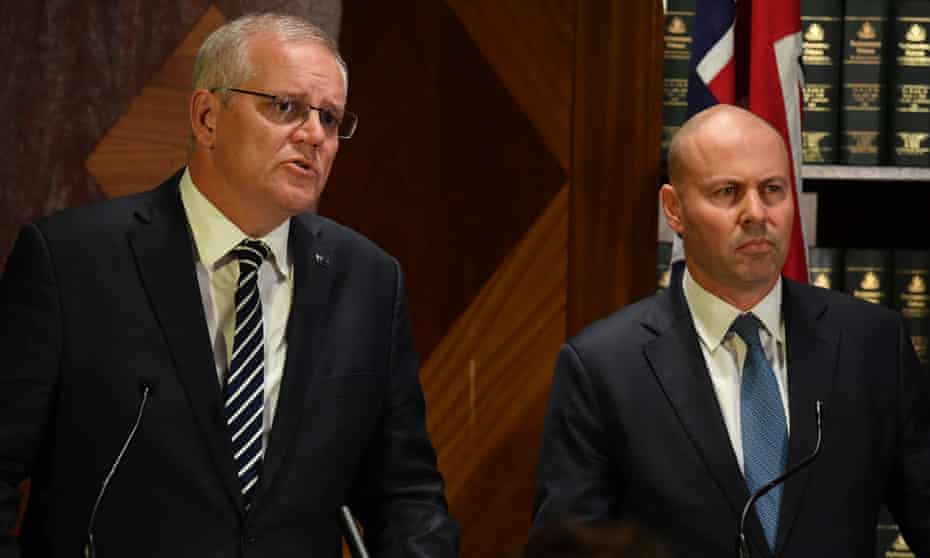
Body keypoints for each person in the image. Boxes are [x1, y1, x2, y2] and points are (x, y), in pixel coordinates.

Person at [0, 13, 458, 557]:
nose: (314, 135)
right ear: (207, 116)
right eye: (285, 107)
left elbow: (407, 495)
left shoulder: (369, 279)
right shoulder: (71, 263)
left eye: (331, 119)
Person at [531, 104, 930, 556]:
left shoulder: (872, 345)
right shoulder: (603, 368)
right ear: (674, 209)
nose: (756, 213)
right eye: (727, 192)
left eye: (773, 190)